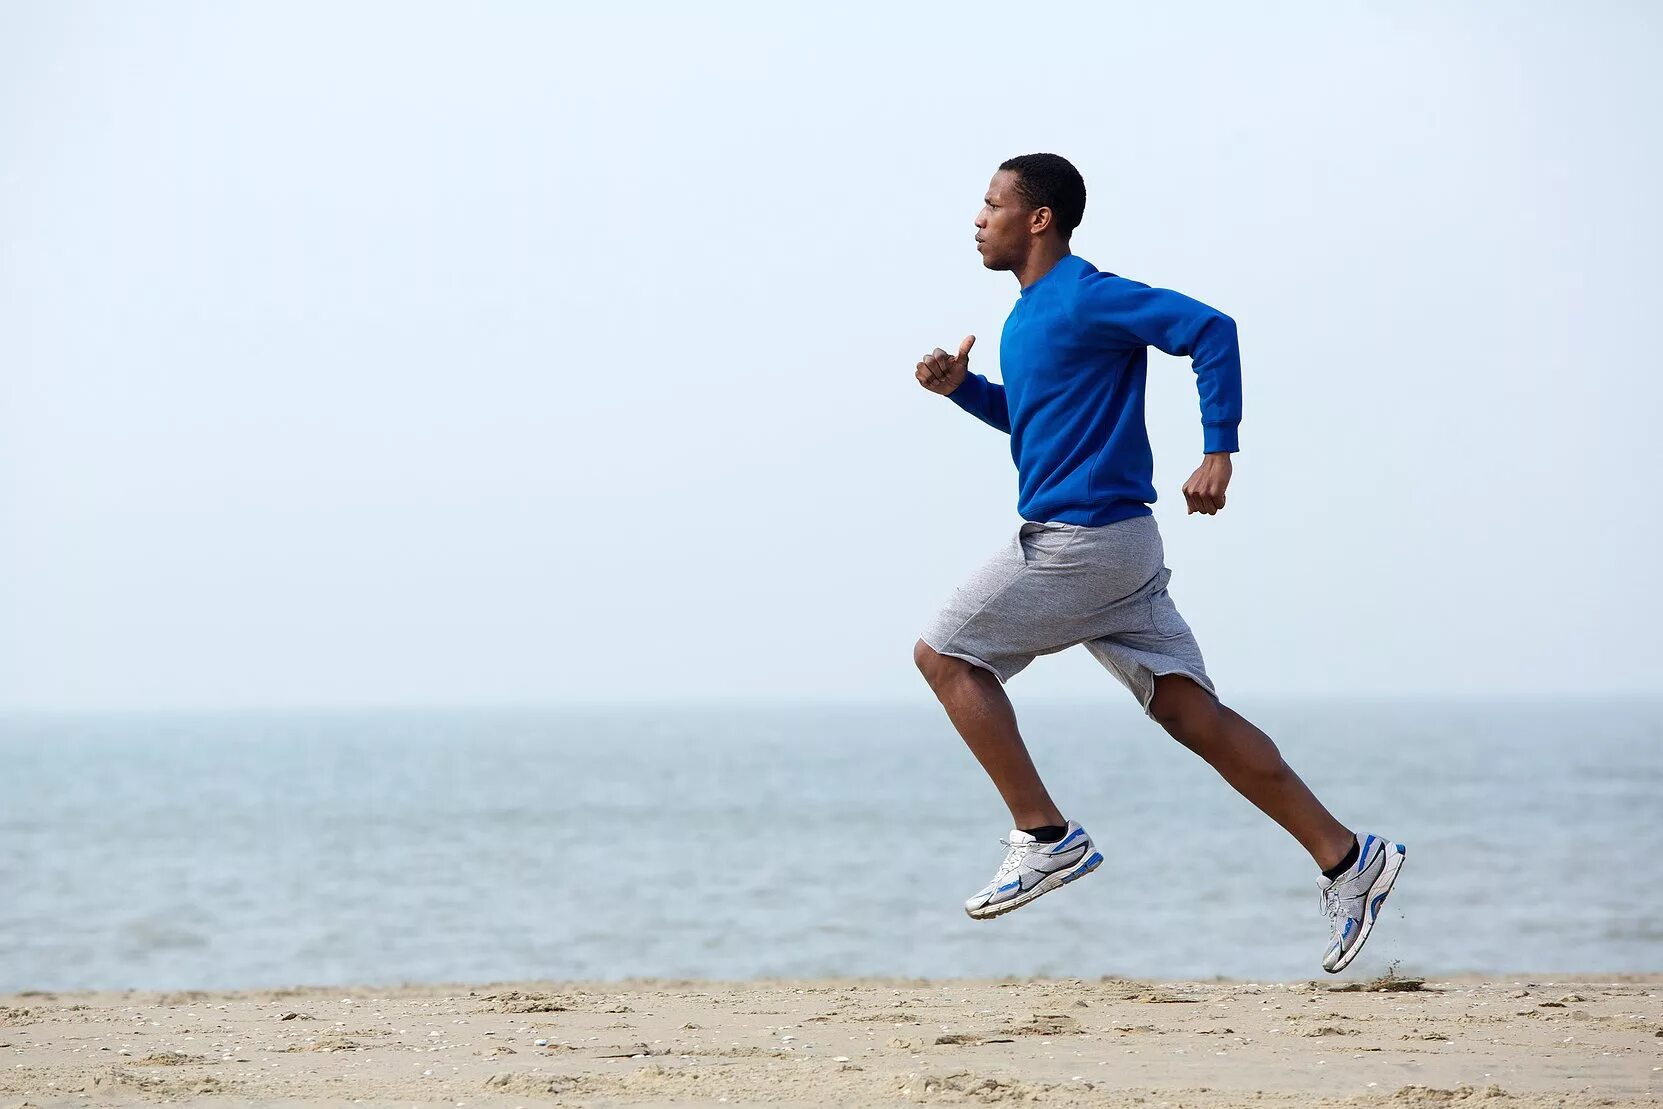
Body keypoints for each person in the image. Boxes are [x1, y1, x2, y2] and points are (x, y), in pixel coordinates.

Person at [912, 153, 1404, 973]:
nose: (977, 217)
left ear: (1038, 219)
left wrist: (1219, 450)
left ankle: (1045, 835)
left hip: (1080, 541)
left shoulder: (1087, 293)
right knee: (1190, 714)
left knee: (944, 655)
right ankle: (1348, 857)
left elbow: (1210, 329)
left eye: (992, 204)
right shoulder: (1027, 315)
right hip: (1120, 546)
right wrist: (965, 390)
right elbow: (1040, 426)